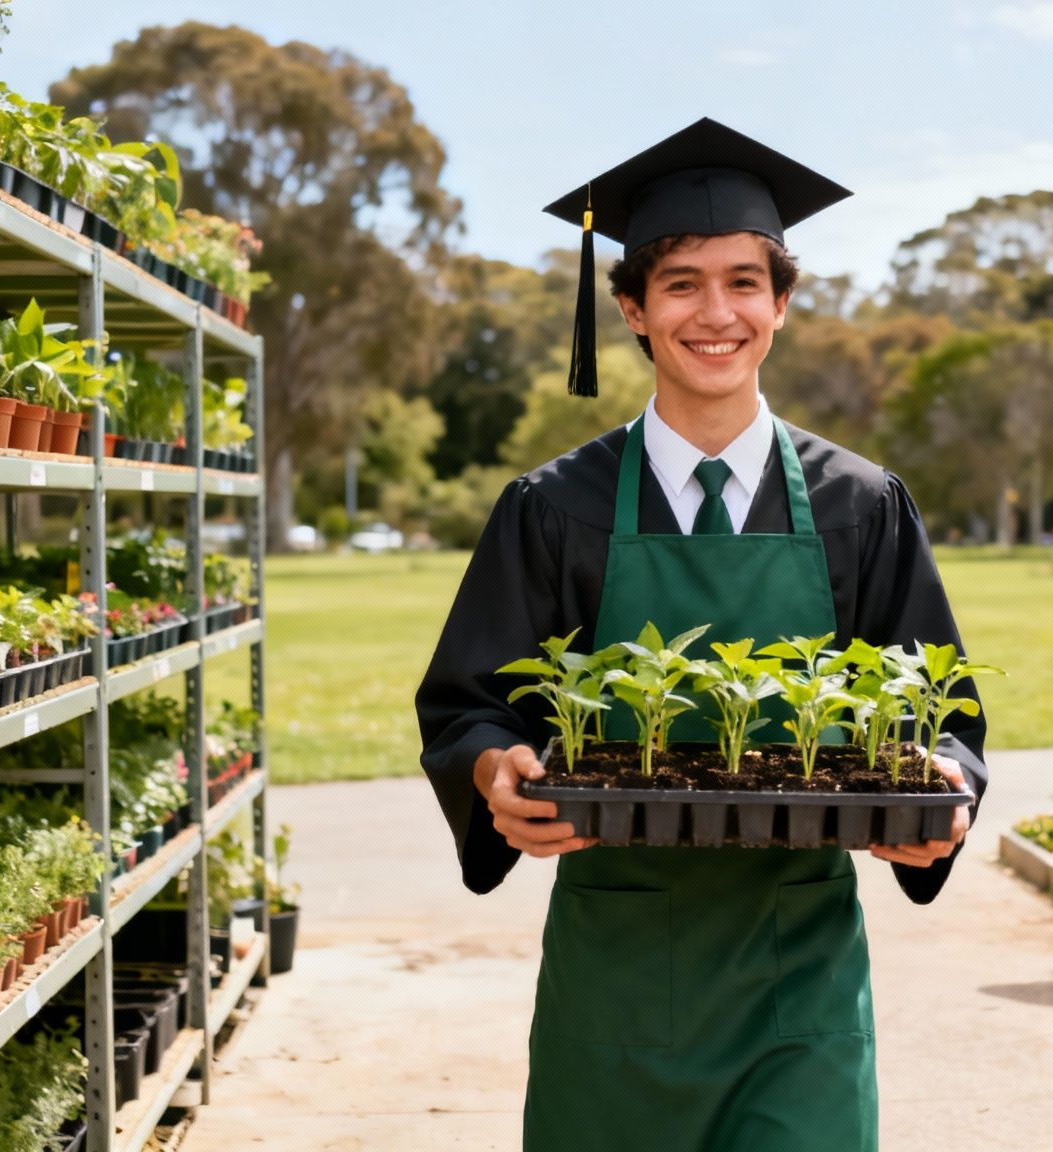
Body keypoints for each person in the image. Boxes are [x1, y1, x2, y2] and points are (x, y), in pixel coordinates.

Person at [414, 118, 987, 1152]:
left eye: (741, 282)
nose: (713, 313)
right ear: (630, 308)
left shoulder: (862, 505)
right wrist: (494, 769)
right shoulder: (554, 506)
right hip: (615, 977)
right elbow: (468, 704)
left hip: (796, 976)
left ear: (780, 304)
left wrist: (941, 792)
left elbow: (937, 716)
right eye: (680, 284)